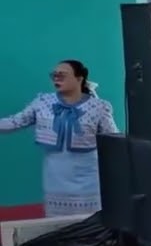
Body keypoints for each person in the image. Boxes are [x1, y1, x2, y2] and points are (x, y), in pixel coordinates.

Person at [0, 60, 118, 217]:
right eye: (54, 76)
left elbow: (114, 139)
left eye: (62, 75)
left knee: (88, 226)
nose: (56, 79)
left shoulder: (99, 107)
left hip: (89, 180)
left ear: (79, 78)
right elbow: (14, 122)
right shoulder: (42, 103)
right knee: (56, 228)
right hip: (55, 179)